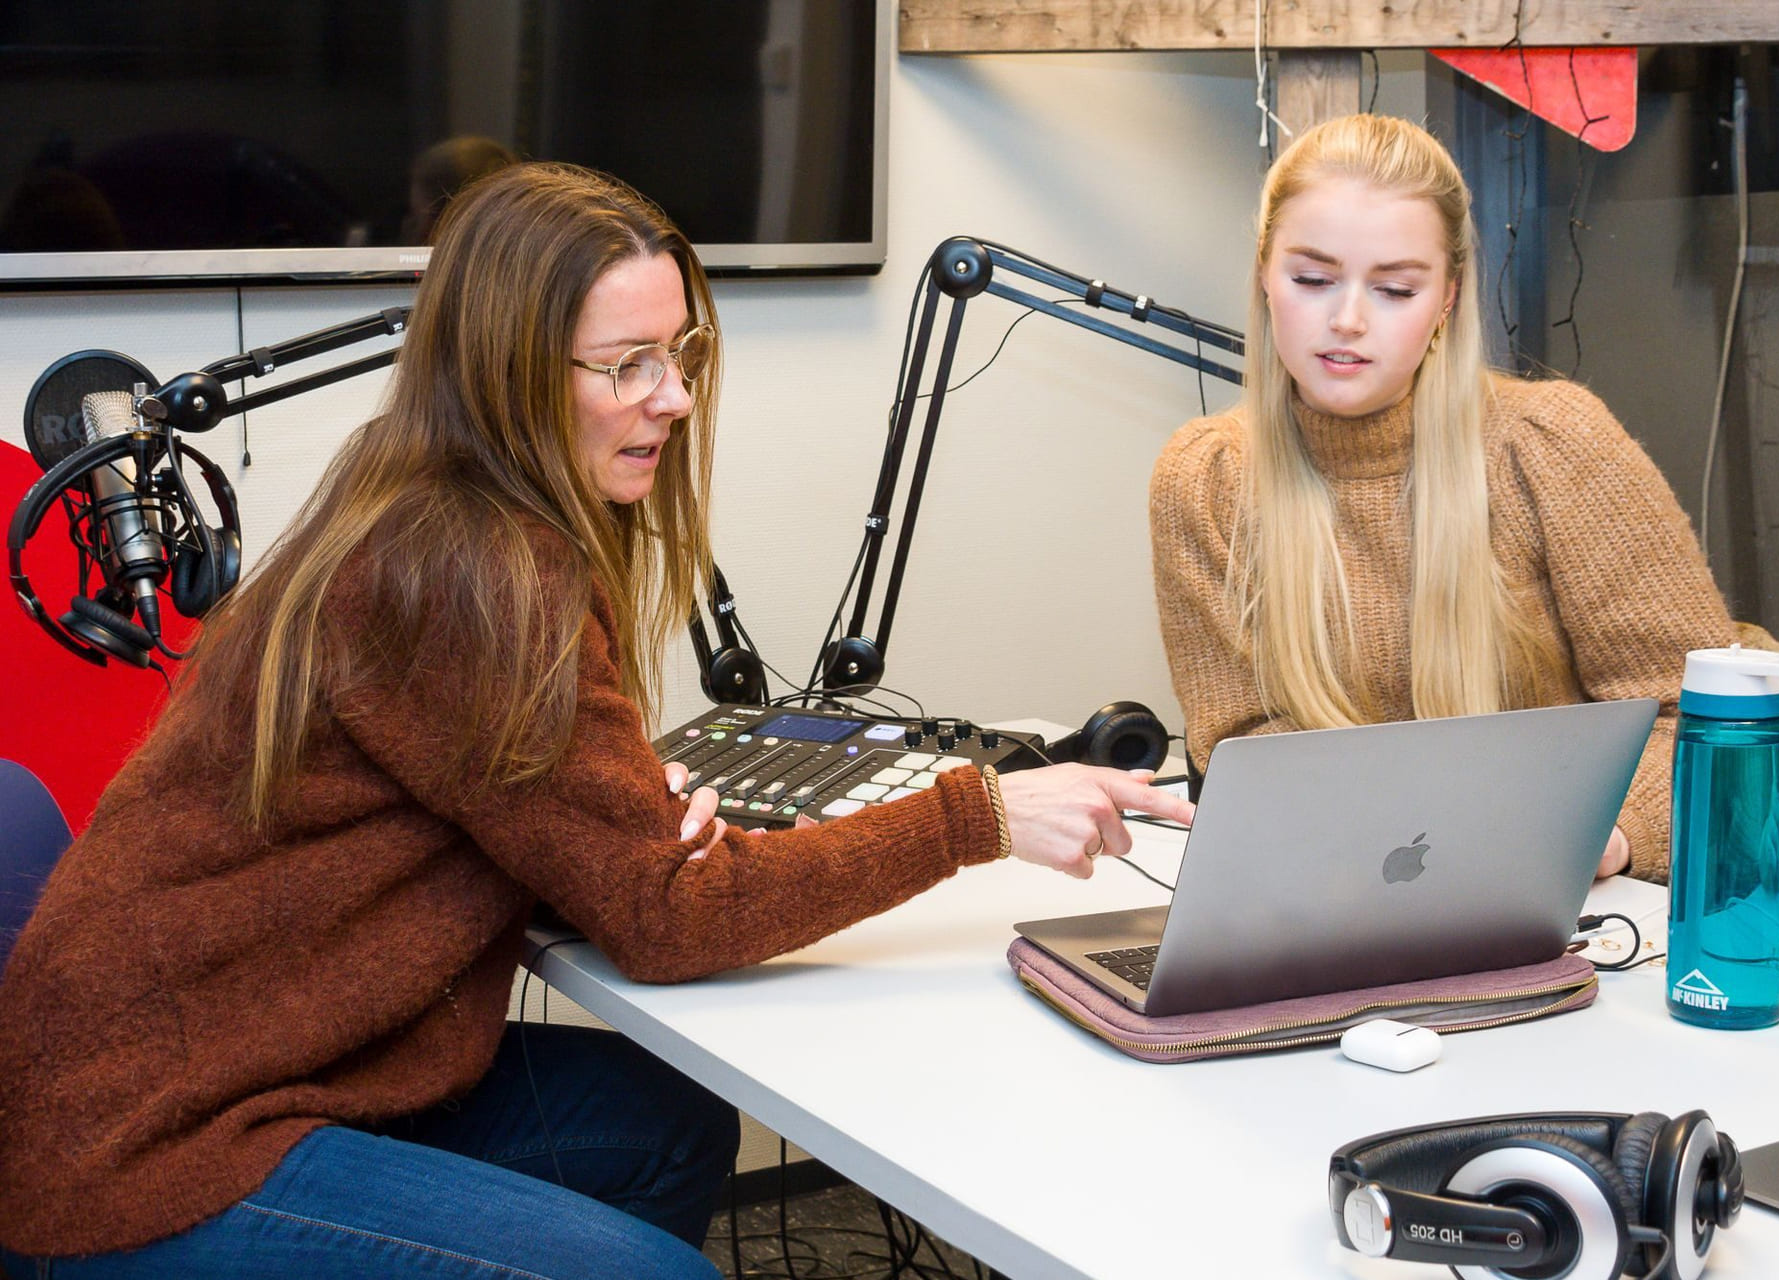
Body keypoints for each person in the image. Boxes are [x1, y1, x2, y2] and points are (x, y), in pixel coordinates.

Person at [0, 161, 1194, 1277]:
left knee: (659, 1120)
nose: (671, 396)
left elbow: (561, 837)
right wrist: (976, 812)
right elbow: (670, 920)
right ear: (512, 373)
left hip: (248, 1066)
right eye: (625, 363)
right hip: (144, 1147)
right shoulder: (467, 576)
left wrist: (620, 834)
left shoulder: (431, 500)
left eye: (680, 353)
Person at [1149, 114, 1779, 940]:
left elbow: (1693, 716)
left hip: (1601, 909)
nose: (1347, 320)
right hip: (1354, 911)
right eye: (1313, 280)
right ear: (1265, 274)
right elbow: (1245, 747)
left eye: (1396, 288)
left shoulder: (1554, 445)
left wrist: (1598, 837)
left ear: (1447, 297)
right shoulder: (1204, 480)